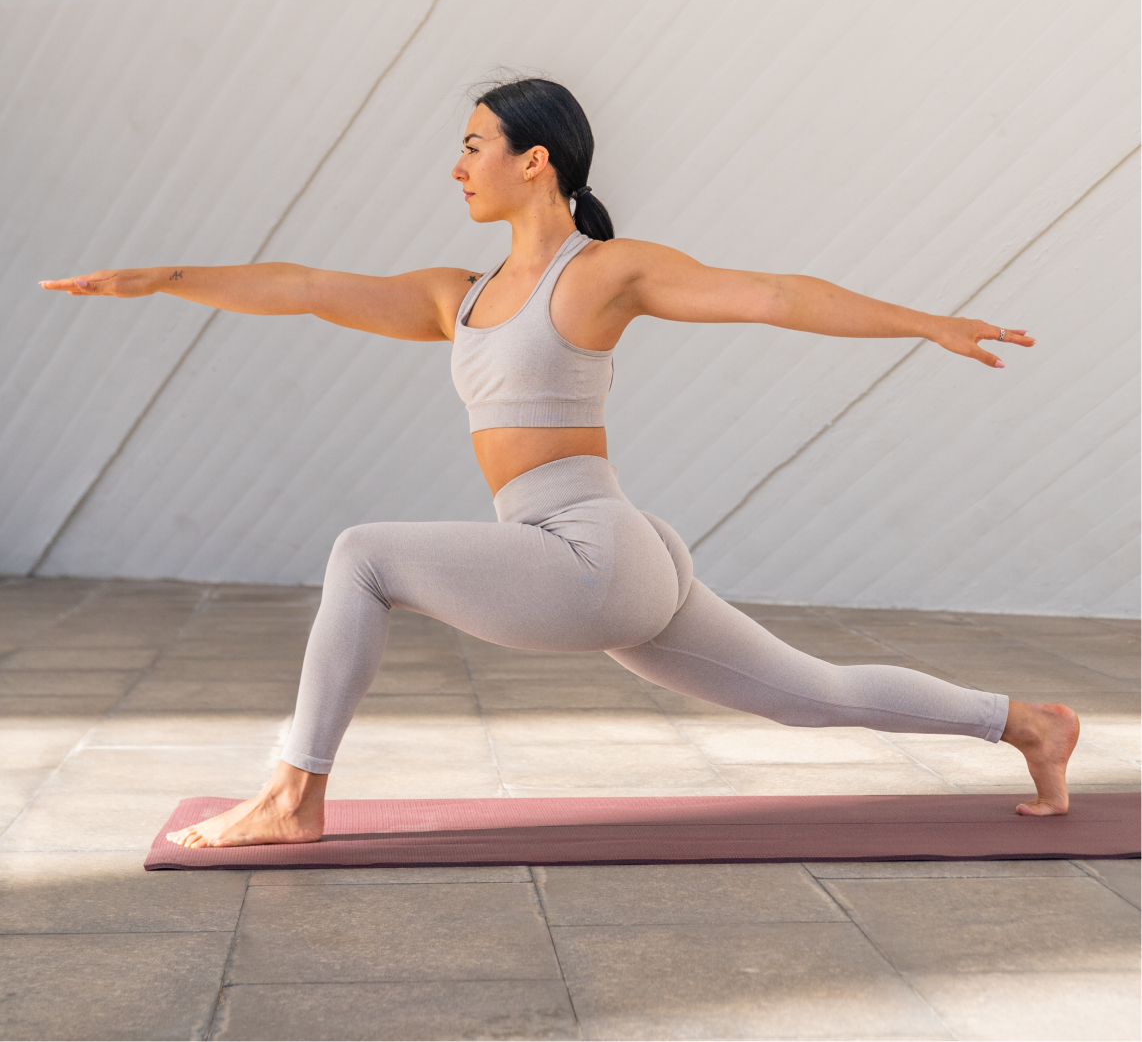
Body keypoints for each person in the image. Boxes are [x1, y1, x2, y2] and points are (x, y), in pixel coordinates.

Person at [41, 77, 1079, 847]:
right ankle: (1027, 724)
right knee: (808, 692)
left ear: (533, 159)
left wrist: (921, 323)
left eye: (472, 145)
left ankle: (293, 793)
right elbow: (307, 285)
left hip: (590, 552)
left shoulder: (602, 274)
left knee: (362, 553)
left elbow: (774, 294)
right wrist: (159, 277)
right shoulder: (459, 293)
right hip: (610, 549)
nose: (455, 165)